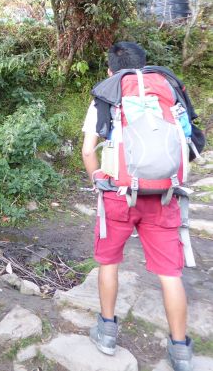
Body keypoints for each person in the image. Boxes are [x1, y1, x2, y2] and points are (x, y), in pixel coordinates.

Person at [81, 42, 193, 371]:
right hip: (163, 196)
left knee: (109, 262)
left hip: (118, 193)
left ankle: (106, 334)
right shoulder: (167, 91)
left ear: (110, 70)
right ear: (146, 64)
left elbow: (89, 151)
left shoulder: (108, 93)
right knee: (170, 274)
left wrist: (98, 182)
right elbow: (187, 143)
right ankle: (181, 351)